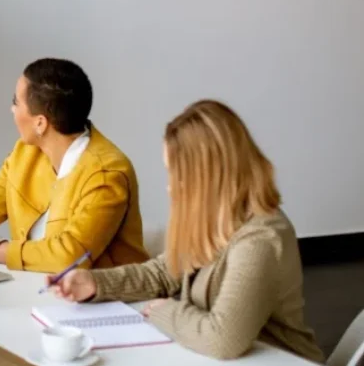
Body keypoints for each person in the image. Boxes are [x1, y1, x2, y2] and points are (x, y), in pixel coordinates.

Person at [48, 100, 325, 363]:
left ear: (206, 176)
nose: (170, 187)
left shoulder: (262, 238)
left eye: (176, 174)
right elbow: (162, 273)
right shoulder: (215, 219)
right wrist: (95, 283)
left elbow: (222, 339)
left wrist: (165, 311)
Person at [0, 58, 148, 273]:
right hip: (38, 289)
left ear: (40, 123)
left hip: (103, 303)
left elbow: (69, 256)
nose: (12, 109)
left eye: (16, 102)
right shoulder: (25, 153)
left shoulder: (106, 174)